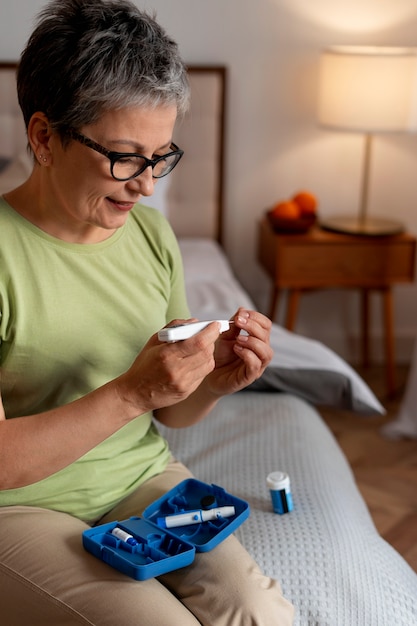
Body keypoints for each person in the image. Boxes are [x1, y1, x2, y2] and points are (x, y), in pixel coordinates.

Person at [0, 1, 294, 624]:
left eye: (161, 157)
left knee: (260, 614)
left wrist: (216, 381)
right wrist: (133, 393)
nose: (147, 185)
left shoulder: (153, 237)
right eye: (126, 157)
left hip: (140, 481)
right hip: (19, 506)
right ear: (44, 137)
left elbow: (171, 412)